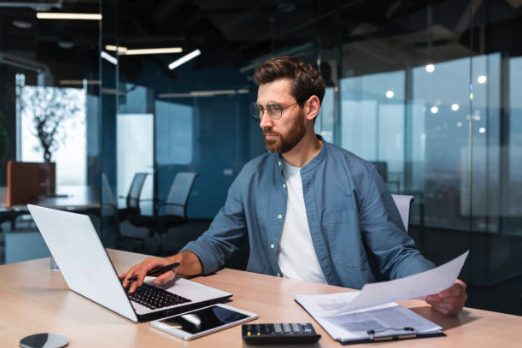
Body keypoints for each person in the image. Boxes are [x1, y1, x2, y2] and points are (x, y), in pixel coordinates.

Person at [120, 56, 467, 316]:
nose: (265, 122)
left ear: (311, 107)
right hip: (268, 308)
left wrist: (437, 286)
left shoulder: (358, 174)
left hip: (343, 313)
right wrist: (173, 262)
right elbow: (215, 243)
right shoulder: (251, 176)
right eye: (260, 111)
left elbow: (396, 254)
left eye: (276, 109)